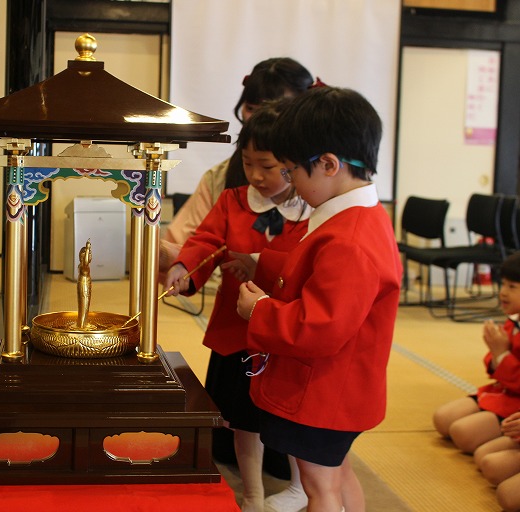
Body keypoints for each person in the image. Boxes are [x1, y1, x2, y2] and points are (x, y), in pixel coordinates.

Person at [233, 85, 400, 512]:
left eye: (291, 172)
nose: (289, 183)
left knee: (320, 487)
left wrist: (259, 311)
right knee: (337, 475)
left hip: (326, 390)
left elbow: (320, 326)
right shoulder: (357, 217)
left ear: (328, 164)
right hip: (338, 386)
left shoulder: (350, 238)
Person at [164, 101, 311, 512]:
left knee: (290, 417)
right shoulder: (233, 200)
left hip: (284, 333)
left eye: (267, 166)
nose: (256, 176)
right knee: (243, 422)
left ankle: (301, 486)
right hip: (237, 331)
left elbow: (307, 265)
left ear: (293, 164)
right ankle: (253, 494)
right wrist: (183, 267)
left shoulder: (311, 210)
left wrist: (260, 263)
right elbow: (206, 241)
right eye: (247, 164)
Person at [161, 57, 313, 262]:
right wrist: (171, 258)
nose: (258, 120)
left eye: (267, 166)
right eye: (251, 108)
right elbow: (192, 244)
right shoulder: (220, 180)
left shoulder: (321, 188)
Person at [434, 251, 520, 455]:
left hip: (515, 402)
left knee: (463, 434)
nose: (503, 292)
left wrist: (501, 355)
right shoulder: (514, 321)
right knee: (442, 419)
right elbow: (491, 364)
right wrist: (496, 353)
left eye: (512, 287)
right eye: (503, 284)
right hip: (501, 391)